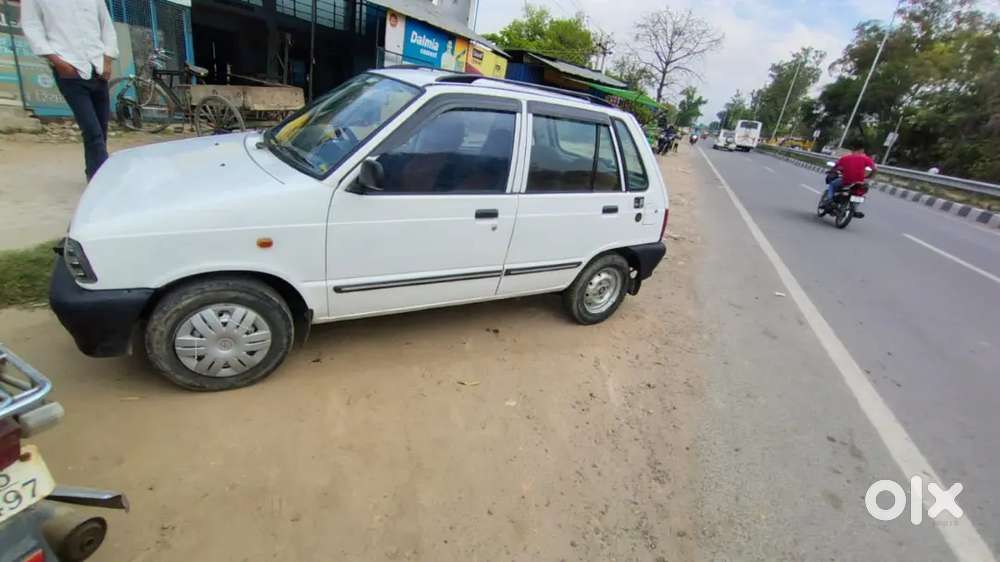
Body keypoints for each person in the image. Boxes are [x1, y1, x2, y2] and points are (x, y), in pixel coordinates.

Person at [21, 0, 119, 181]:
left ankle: (94, 174)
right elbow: (31, 27)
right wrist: (57, 61)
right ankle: (103, 181)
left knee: (101, 128)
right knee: (91, 130)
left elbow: (106, 26)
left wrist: (107, 61)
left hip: (97, 68)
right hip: (69, 69)